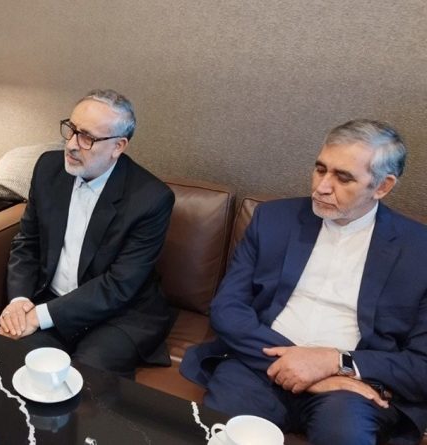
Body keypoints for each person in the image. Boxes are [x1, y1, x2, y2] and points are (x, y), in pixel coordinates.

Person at [180, 119, 427, 444]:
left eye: (343, 177)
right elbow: (227, 308)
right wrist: (305, 370)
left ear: (382, 186)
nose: (322, 186)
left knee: (344, 436)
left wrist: (335, 363)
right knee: (221, 434)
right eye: (320, 169)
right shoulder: (274, 219)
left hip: (350, 388)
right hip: (258, 365)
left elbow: (421, 363)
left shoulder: (418, 250)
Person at [0, 89, 175, 377]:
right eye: (71, 129)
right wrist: (19, 301)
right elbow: (27, 243)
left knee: (87, 375)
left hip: (119, 315)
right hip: (52, 299)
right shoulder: (48, 168)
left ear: (118, 146)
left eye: (87, 138)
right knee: (16, 360)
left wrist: (38, 317)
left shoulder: (151, 199)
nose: (71, 145)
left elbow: (119, 285)